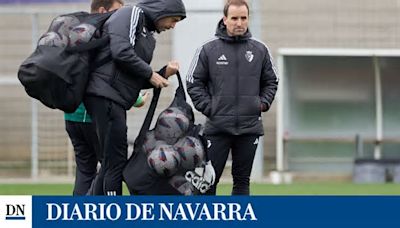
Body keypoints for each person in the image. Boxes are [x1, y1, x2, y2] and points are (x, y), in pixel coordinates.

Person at [84, 0, 186, 196]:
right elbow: (121, 51)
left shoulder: (148, 36)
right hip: (105, 95)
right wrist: (150, 73)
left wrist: (163, 73)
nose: (173, 26)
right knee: (116, 163)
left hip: (114, 98)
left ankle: (90, 210)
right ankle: (113, 215)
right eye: (173, 20)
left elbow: (132, 79)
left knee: (109, 162)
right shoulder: (132, 14)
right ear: (163, 11)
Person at [186, 0, 278, 195]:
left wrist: (262, 104)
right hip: (217, 129)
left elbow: (272, 81)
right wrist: (210, 107)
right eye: (234, 18)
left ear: (248, 19)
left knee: (242, 183)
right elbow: (193, 81)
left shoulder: (260, 49)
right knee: (207, 184)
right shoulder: (208, 49)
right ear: (225, 19)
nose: (239, 23)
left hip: (249, 128)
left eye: (243, 18)